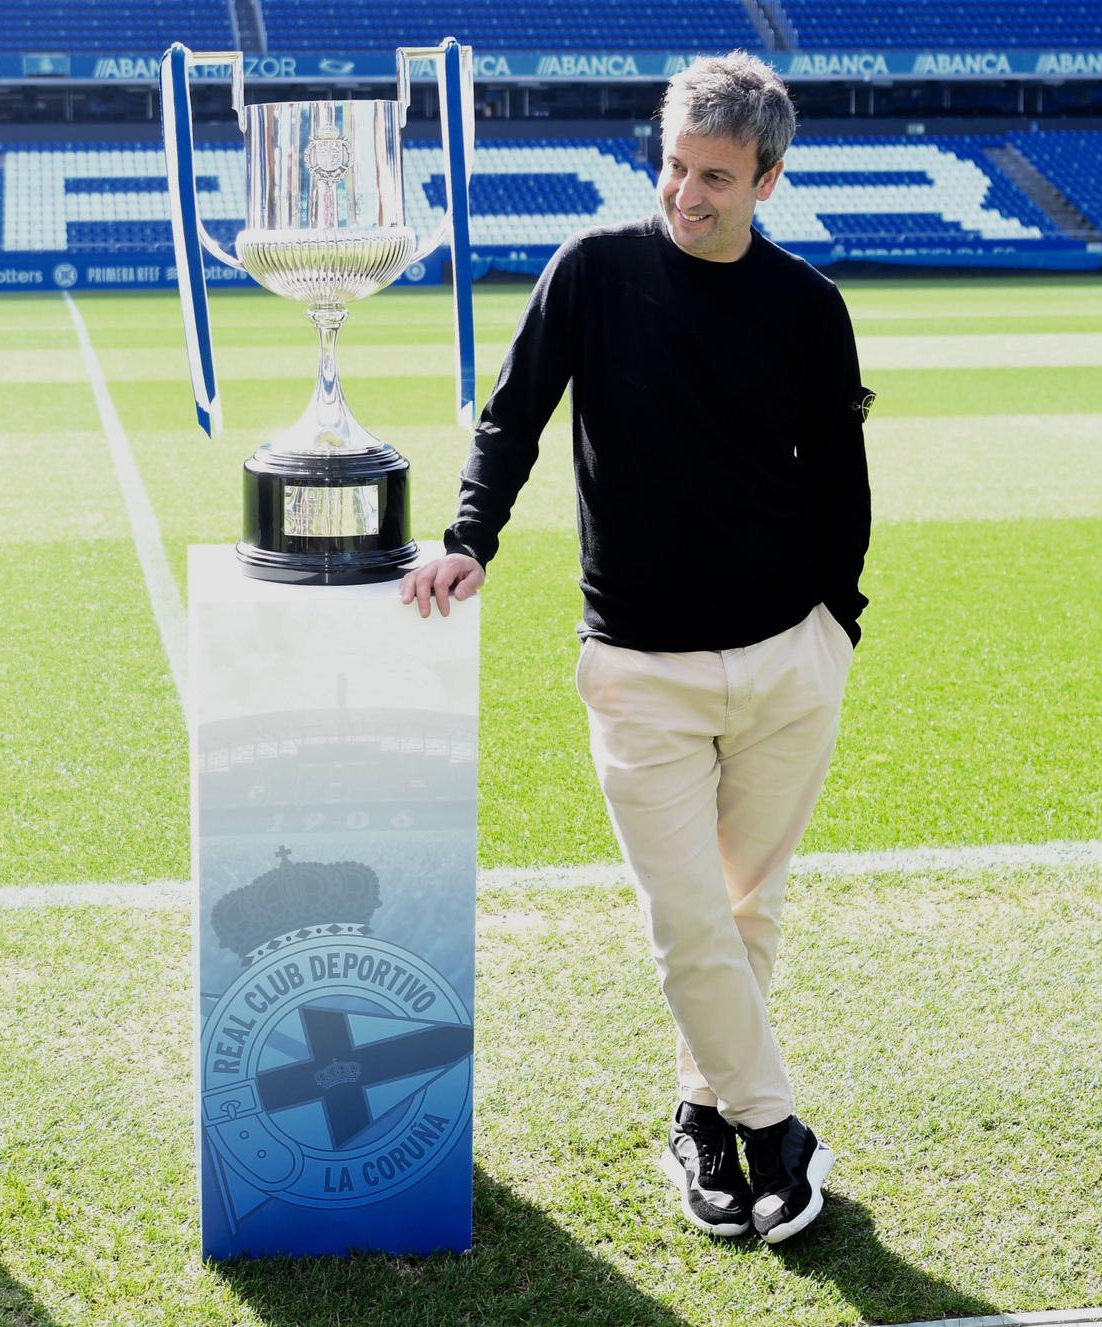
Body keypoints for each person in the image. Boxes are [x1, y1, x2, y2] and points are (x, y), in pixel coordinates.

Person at [401, 51, 871, 1245]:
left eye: (713, 174)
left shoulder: (809, 309)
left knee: (746, 915)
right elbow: (512, 415)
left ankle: (698, 1120)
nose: (684, 193)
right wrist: (469, 539)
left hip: (785, 660)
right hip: (638, 670)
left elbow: (840, 481)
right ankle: (775, 1132)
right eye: (671, 165)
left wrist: (835, 621)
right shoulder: (593, 274)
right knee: (686, 921)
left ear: (766, 177)